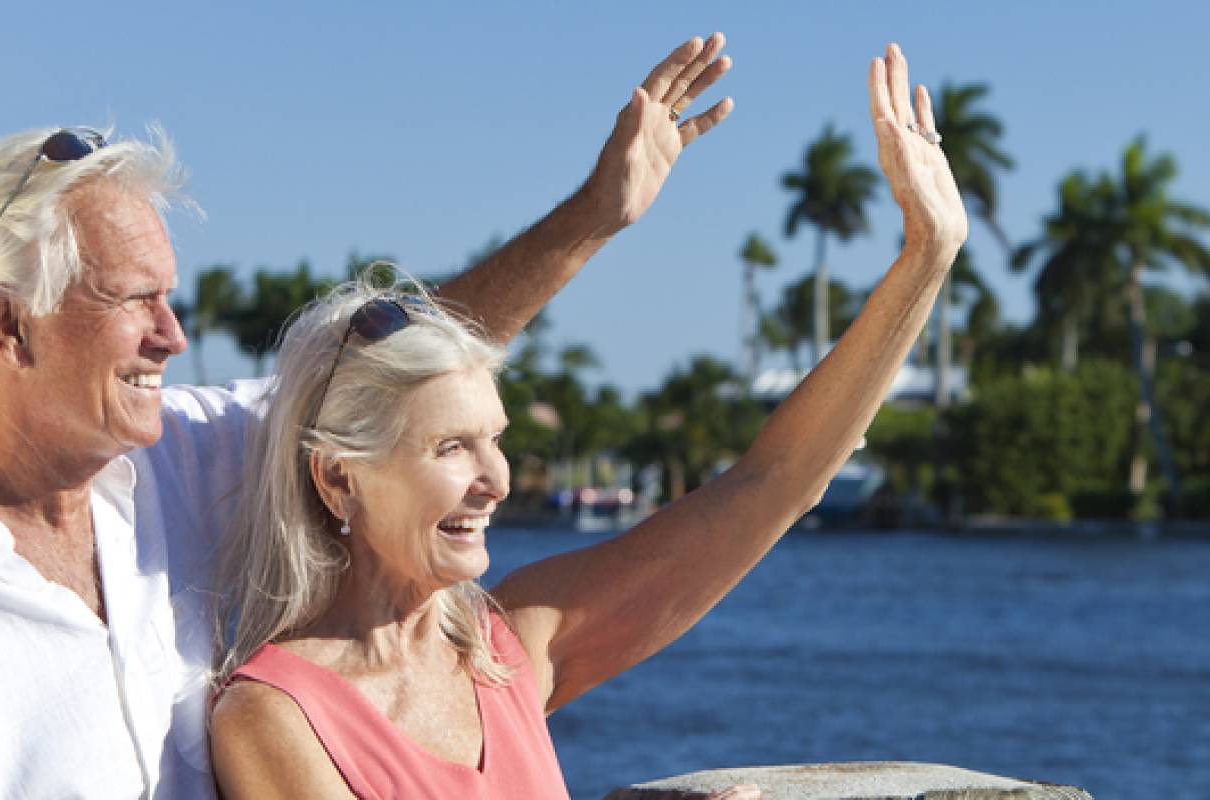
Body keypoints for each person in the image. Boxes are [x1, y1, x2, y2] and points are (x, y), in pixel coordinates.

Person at [0, 34, 735, 799]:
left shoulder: (174, 456)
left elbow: (388, 372)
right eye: (133, 299)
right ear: (11, 325)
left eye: (169, 295)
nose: (174, 335)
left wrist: (591, 220)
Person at [207, 43, 965, 799]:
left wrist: (926, 259)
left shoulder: (512, 648)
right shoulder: (272, 715)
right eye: (452, 448)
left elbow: (777, 483)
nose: (496, 481)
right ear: (340, 478)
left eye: (495, 440)